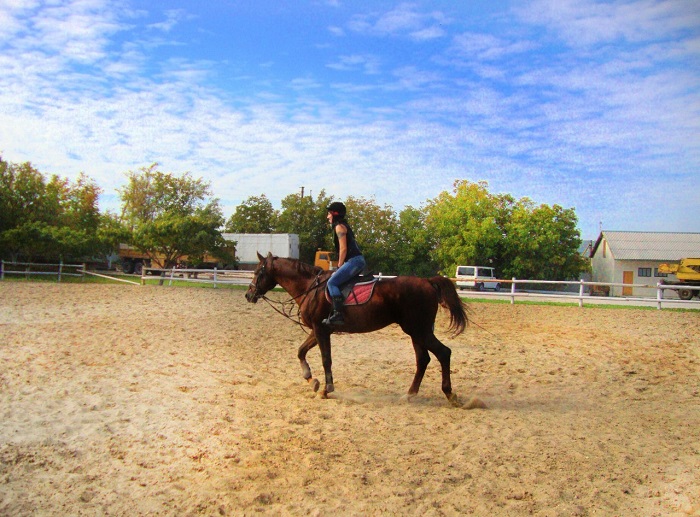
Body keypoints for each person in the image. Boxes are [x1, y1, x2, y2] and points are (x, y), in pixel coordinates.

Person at [323, 201, 366, 325]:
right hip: (356, 260)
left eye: (329, 214)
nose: (327, 217)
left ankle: (338, 314)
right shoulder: (343, 226)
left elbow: (343, 249)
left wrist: (339, 265)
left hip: (354, 261)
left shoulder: (339, 227)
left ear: (334, 214)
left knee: (332, 282)